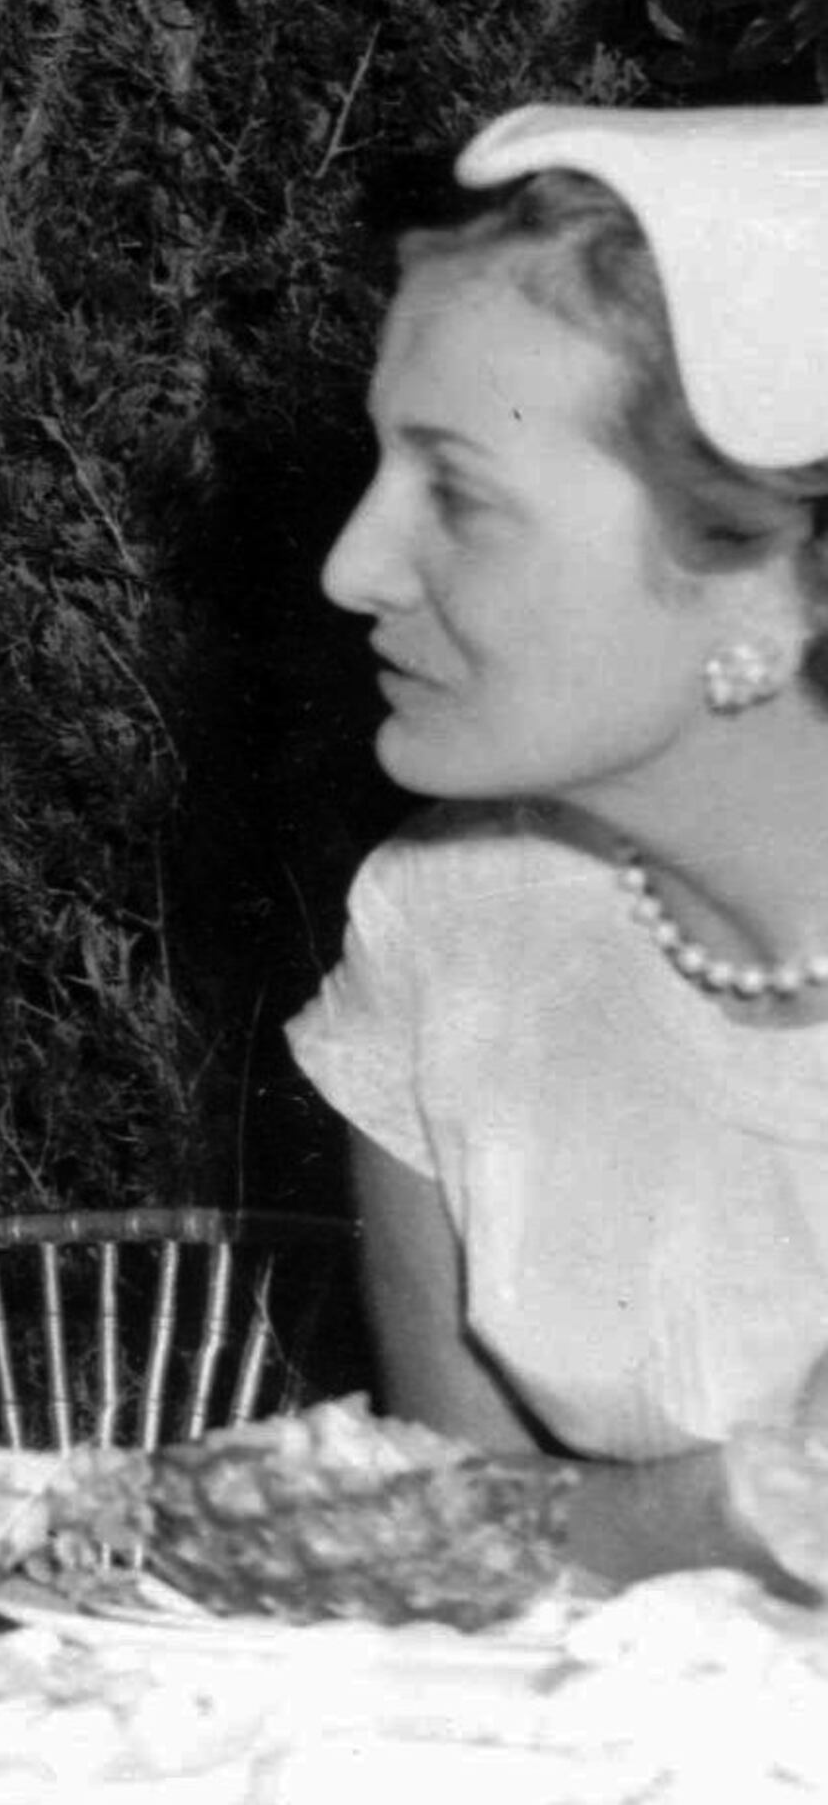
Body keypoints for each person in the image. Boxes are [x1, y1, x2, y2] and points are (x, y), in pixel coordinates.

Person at [292, 104, 828, 1591]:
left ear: (772, 588)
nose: (354, 565)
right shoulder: (456, 918)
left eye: (459, 493)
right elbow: (457, 1566)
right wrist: (711, 1513)